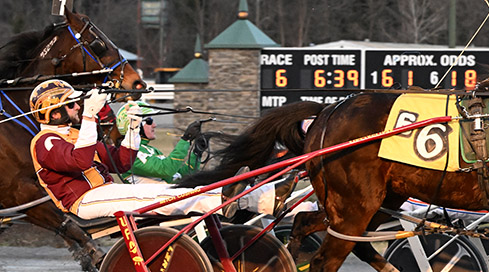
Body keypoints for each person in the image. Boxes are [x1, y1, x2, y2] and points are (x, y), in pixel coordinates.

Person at [28, 79, 292, 220]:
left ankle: (269, 196)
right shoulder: (46, 142)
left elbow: (121, 162)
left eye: (78, 104)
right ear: (54, 113)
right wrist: (89, 117)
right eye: (73, 105)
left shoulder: (75, 135)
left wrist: (132, 129)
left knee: (174, 191)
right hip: (84, 201)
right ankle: (239, 201)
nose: (78, 107)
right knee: (167, 199)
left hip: (105, 191)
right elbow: (80, 162)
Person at [114, 100, 203, 184]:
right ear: (135, 124)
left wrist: (197, 152)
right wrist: (186, 139)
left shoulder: (152, 150)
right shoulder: (130, 153)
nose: (154, 125)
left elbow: (180, 176)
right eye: (149, 121)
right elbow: (166, 170)